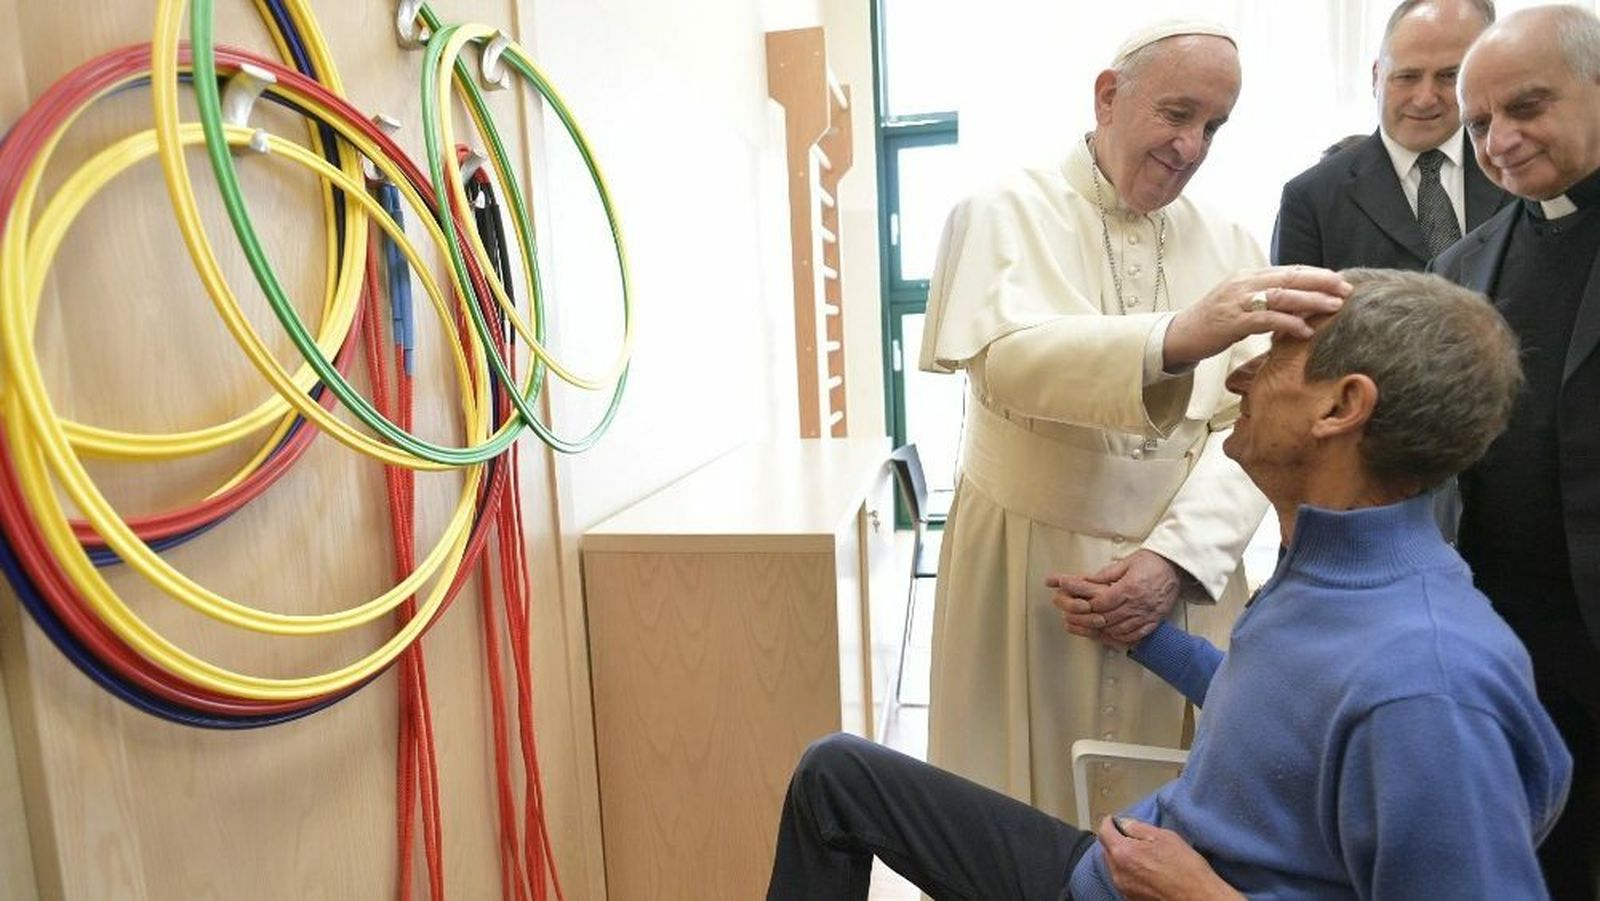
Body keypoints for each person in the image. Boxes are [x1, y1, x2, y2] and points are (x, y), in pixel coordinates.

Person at [769, 269, 1571, 900]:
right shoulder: (1329, 564)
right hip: (1118, 869)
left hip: (1157, 886)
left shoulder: (1426, 681)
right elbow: (1290, 714)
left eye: (1277, 355)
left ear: (1342, 406)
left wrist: (1204, 895)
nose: (1240, 379)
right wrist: (1151, 639)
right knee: (835, 776)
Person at [917, 19, 1348, 825]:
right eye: (1178, 115)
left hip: (1183, 575)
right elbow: (1008, 362)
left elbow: (1250, 425)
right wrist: (1179, 335)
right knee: (1013, 813)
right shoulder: (998, 210)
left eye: (1214, 127)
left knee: (1180, 823)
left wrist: (1174, 559)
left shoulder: (1229, 239)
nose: (1192, 148)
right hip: (1027, 563)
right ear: (1109, 97)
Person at [1435, 6, 1600, 895]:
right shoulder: (1463, 267)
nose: (1501, 140)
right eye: (1481, 123)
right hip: (1514, 646)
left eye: (1528, 107)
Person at [1272, 0, 1510, 270]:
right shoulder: (1312, 199)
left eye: (1448, 76)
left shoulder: (1515, 170)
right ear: (1376, 76)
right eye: (1407, 77)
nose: (1424, 99)